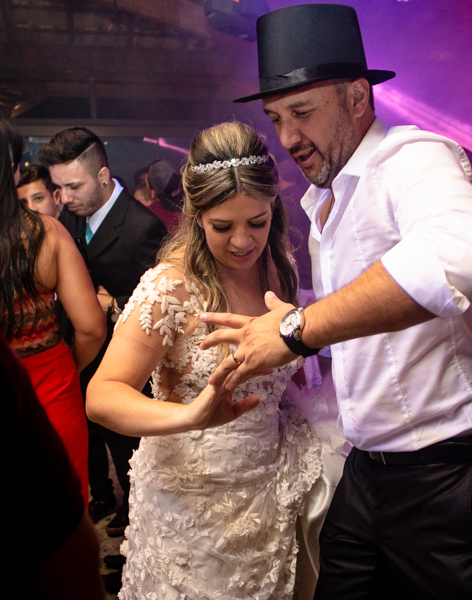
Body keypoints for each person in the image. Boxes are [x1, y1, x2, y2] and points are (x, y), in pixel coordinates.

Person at [201, 4, 472, 599]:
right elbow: (364, 322)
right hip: (367, 469)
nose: (287, 138)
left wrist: (298, 329)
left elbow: (466, 253)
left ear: (356, 97)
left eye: (302, 112)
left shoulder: (410, 157)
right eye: (276, 118)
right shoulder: (327, 199)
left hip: (449, 473)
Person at [86, 121, 322, 599]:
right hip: (189, 509)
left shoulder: (280, 268)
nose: (243, 241)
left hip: (269, 490)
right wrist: (190, 416)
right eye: (222, 227)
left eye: (257, 222)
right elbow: (102, 395)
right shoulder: (170, 286)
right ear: (196, 216)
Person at [0, 112, 106, 509]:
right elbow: (92, 328)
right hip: (51, 389)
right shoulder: (47, 232)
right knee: (59, 515)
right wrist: (63, 368)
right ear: (10, 168)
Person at [39, 127, 168, 537]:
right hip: (87, 357)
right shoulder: (72, 219)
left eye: (74, 186)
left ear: (103, 175)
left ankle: (141, 537)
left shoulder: (142, 227)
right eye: (58, 188)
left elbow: (165, 304)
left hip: (129, 367)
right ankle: (126, 522)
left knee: (134, 457)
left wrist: (112, 304)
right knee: (100, 445)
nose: (65, 197)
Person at [0, 271, 104, 600]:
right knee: (56, 503)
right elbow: (91, 328)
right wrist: (69, 367)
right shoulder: (48, 241)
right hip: (51, 373)